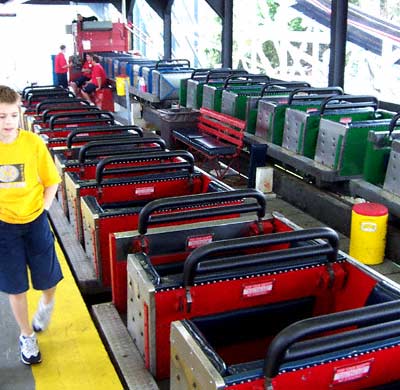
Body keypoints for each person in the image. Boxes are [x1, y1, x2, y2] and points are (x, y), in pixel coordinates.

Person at [0, 85, 63, 365]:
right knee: (16, 287)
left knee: (48, 280)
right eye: (2, 116)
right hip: (4, 227)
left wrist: (44, 211)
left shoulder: (34, 144)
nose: (8, 122)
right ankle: (27, 335)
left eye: (13, 115)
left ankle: (46, 305)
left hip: (35, 220)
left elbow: (52, 181)